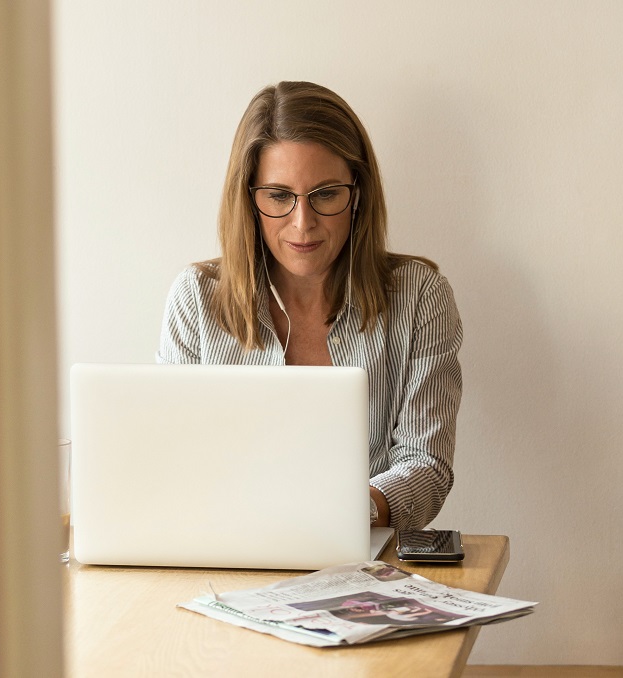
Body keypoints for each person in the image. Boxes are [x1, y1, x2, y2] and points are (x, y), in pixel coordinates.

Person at [156, 81, 462, 530]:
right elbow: (172, 462)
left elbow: (427, 466)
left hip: (365, 561)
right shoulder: (196, 299)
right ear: (249, 199)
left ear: (357, 193)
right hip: (225, 554)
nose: (303, 223)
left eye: (325, 194)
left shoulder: (419, 296)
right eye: (279, 196)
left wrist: (346, 513)